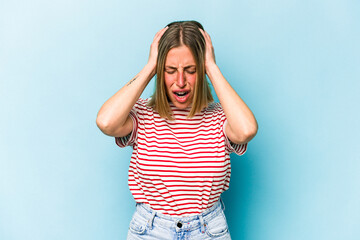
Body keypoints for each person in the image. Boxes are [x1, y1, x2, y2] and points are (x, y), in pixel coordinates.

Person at [96, 20, 258, 240]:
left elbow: (247, 130)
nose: (180, 81)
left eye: (190, 70)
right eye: (170, 70)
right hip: (150, 231)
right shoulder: (142, 114)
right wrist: (150, 67)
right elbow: (106, 122)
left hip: (208, 231)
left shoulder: (221, 118)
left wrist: (211, 66)